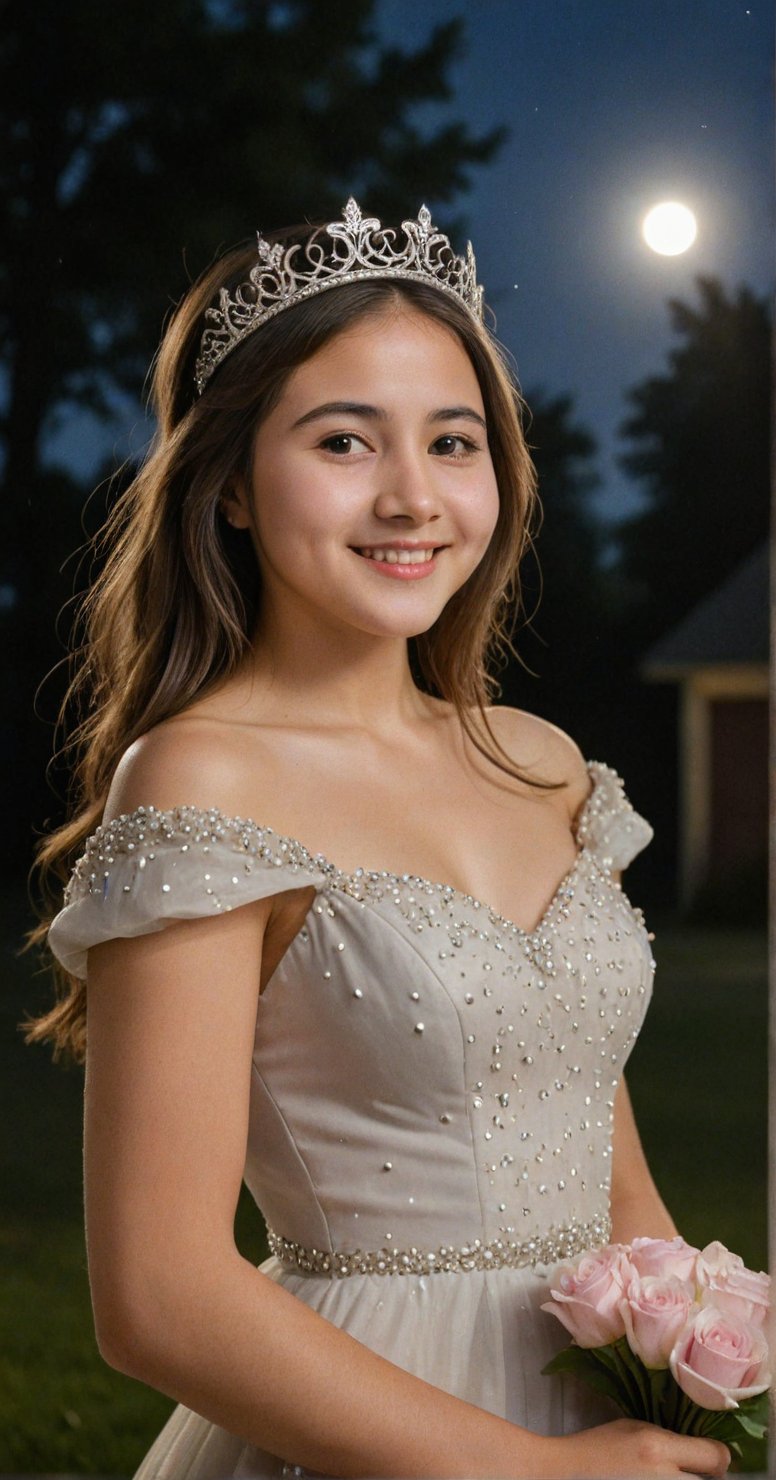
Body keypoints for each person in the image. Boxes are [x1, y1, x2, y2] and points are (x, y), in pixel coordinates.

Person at [32, 199, 729, 1479]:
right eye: (344, 440)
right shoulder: (202, 776)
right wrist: (531, 1470)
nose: (412, 496)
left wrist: (704, 1376)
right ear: (231, 483)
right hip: (374, 1426)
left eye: (451, 441)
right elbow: (157, 1294)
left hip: (606, 1420)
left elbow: (611, 1186)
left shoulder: (541, 764)